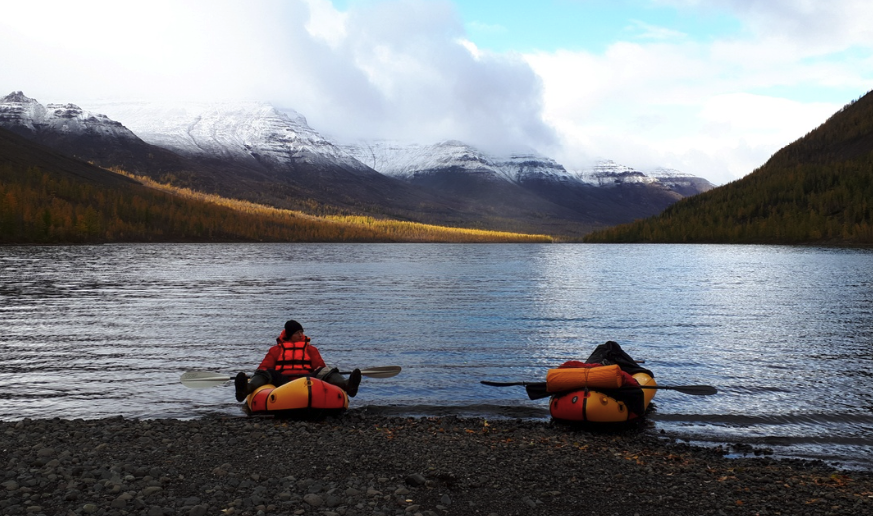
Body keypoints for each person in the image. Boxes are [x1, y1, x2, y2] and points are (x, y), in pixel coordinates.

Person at [234, 320, 362, 402]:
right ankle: (246, 388)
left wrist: (319, 371)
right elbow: (263, 368)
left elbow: (320, 367)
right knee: (266, 372)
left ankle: (347, 385)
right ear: (290, 335)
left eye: (302, 332)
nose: (301, 335)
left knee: (326, 370)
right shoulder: (276, 350)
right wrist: (264, 373)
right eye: (297, 333)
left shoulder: (310, 349)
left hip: (308, 381)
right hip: (283, 383)